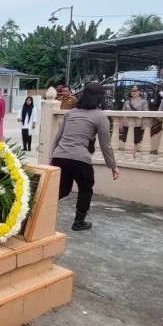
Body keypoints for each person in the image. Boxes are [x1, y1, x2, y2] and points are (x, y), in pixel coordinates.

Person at [50, 82, 120, 231]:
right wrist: (112, 165)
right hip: (80, 158)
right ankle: (79, 222)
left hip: (60, 156)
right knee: (86, 189)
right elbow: (105, 144)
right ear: (100, 99)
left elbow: (58, 137)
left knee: (62, 190)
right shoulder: (100, 117)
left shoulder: (71, 113)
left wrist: (53, 156)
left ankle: (37, 209)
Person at [120, 86, 149, 159]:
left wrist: (144, 124)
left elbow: (145, 113)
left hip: (137, 123)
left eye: (135, 91)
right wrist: (121, 123)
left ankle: (133, 153)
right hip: (127, 123)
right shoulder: (127, 102)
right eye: (132, 91)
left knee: (135, 140)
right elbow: (123, 113)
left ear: (139, 92)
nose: (134, 93)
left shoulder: (143, 101)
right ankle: (127, 151)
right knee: (126, 138)